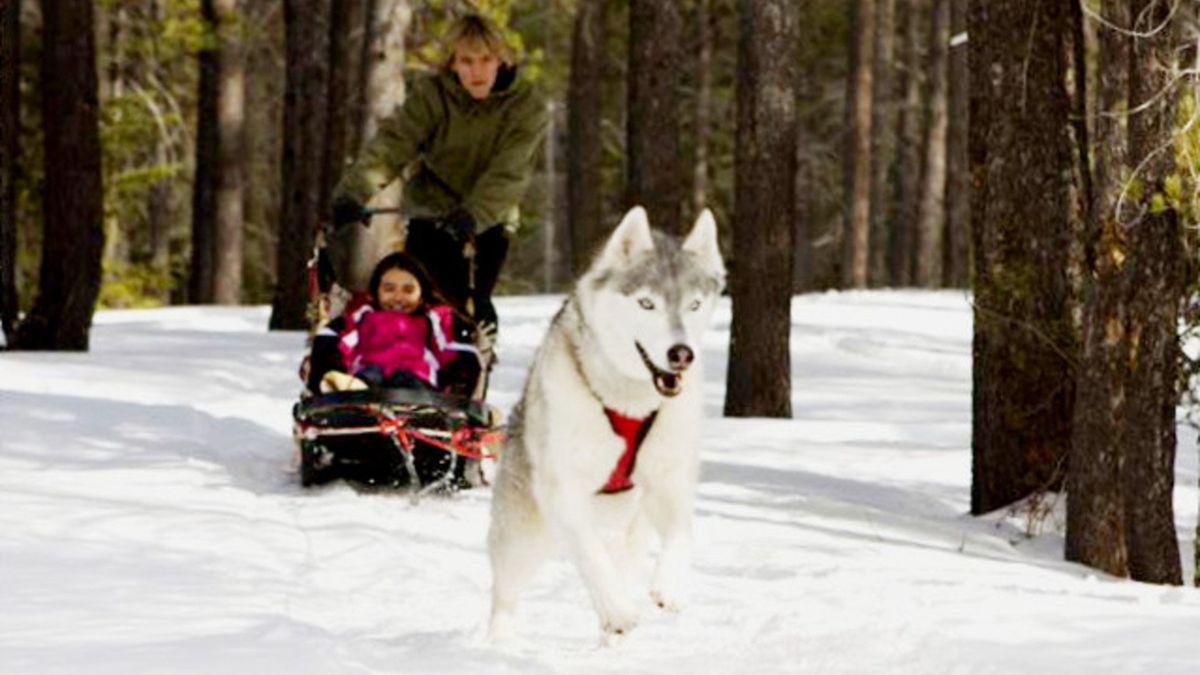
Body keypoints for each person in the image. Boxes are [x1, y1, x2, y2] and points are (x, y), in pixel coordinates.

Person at [330, 13, 548, 345]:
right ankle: (409, 363)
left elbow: (509, 172)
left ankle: (469, 362)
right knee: (419, 297)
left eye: (485, 60)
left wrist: (474, 215)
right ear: (452, 63)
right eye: (466, 61)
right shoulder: (432, 95)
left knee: (467, 304)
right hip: (432, 208)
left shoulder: (525, 106)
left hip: (489, 217)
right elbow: (394, 145)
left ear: (501, 60)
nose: (476, 71)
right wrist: (354, 193)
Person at [307, 252, 480, 396]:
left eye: (408, 290)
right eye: (389, 289)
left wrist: (458, 384)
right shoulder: (362, 316)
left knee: (408, 379)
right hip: (369, 373)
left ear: (421, 295)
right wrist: (330, 368)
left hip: (416, 378)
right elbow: (336, 341)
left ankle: (421, 407)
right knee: (369, 377)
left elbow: (454, 350)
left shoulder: (433, 319)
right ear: (376, 291)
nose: (398, 298)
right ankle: (352, 395)